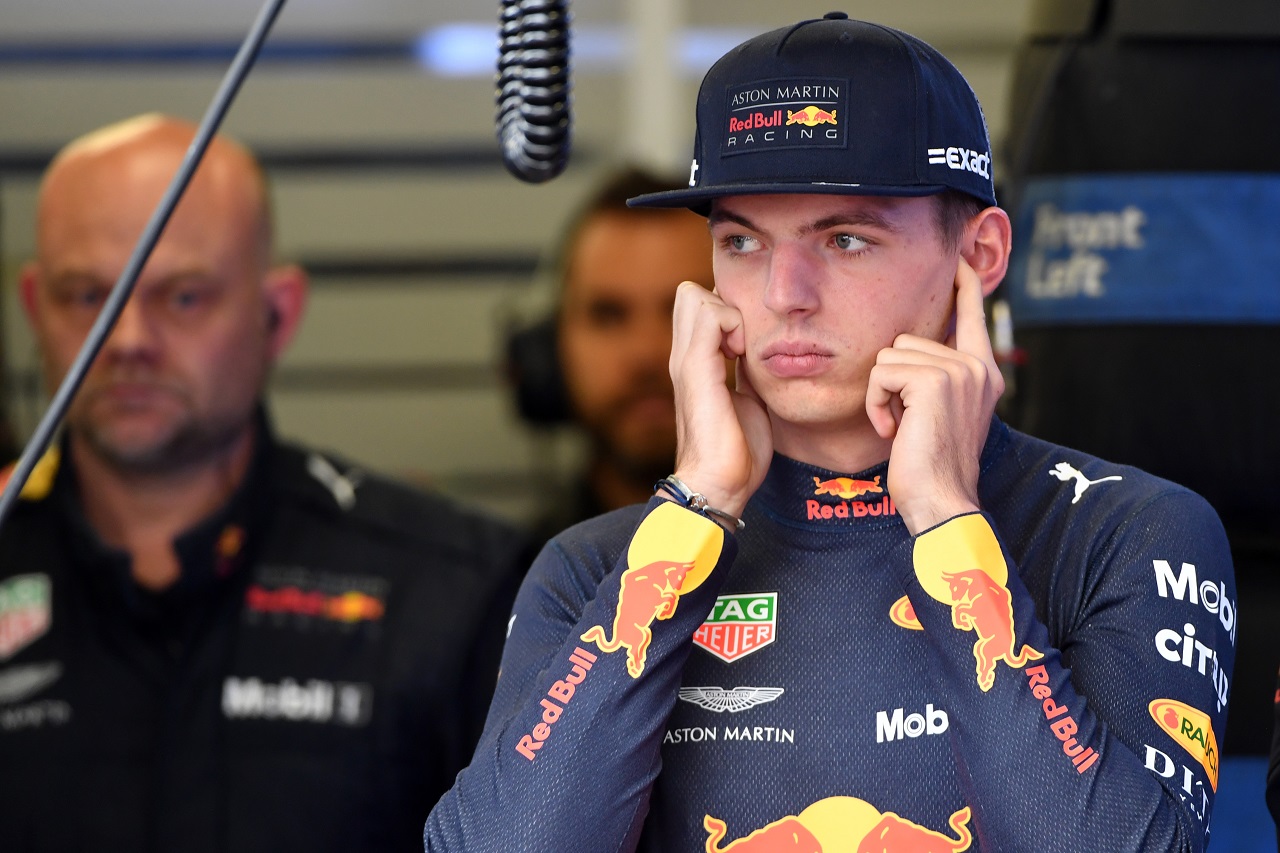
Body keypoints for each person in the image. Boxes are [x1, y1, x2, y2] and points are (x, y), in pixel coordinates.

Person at [424, 13, 1234, 852]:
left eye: (845, 239)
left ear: (980, 254)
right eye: (742, 240)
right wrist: (696, 507)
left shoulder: (1127, 533)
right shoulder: (596, 566)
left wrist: (946, 520)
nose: (785, 293)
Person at [0, 114, 526, 852]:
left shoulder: (452, 590)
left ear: (276, 313)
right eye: (87, 295)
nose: (127, 340)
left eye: (183, 296)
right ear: (34, 307)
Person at [507, 168, 715, 544]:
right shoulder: (525, 575)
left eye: (685, 310)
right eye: (608, 316)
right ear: (550, 346)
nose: (646, 353)